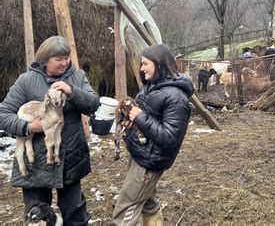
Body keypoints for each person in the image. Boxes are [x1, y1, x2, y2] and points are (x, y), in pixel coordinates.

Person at [0, 36, 100, 224]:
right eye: (58, 59)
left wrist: (71, 91)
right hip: (36, 164)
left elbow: (93, 104)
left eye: (66, 58)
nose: (64, 63)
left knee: (75, 215)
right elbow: (3, 114)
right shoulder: (26, 81)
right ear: (45, 59)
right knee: (37, 218)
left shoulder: (77, 77)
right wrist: (28, 127)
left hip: (70, 159)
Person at [112, 44, 194, 225]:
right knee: (147, 202)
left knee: (125, 209)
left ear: (159, 64)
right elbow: (148, 117)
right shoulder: (152, 86)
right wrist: (131, 122)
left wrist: (140, 118)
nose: (141, 68)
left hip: (151, 160)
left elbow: (170, 138)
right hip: (141, 152)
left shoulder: (176, 97)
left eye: (145, 64)